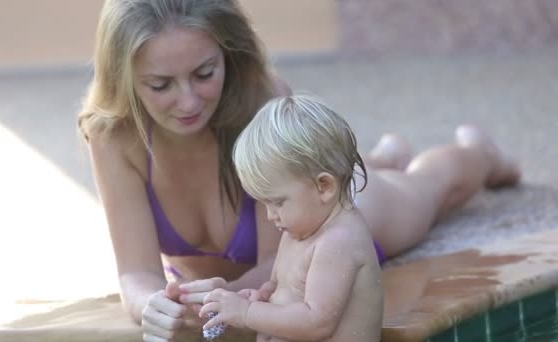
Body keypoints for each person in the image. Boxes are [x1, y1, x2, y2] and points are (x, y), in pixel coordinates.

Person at [77, 0, 520, 340]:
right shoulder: (112, 135)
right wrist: (150, 304)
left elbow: (280, 264)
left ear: (229, 54)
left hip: (316, 227)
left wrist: (228, 303)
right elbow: (136, 274)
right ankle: (380, 155)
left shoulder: (261, 100)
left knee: (429, 190)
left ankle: (479, 154)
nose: (189, 102)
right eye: (160, 85)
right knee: (359, 169)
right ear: (125, 80)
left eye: (204, 73)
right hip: (244, 278)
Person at [199, 94, 383, 342]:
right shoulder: (299, 230)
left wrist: (248, 313)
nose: (269, 215)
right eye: (263, 203)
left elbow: (316, 323)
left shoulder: (338, 241)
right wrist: (262, 297)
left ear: (324, 186)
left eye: (277, 202)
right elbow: (282, 288)